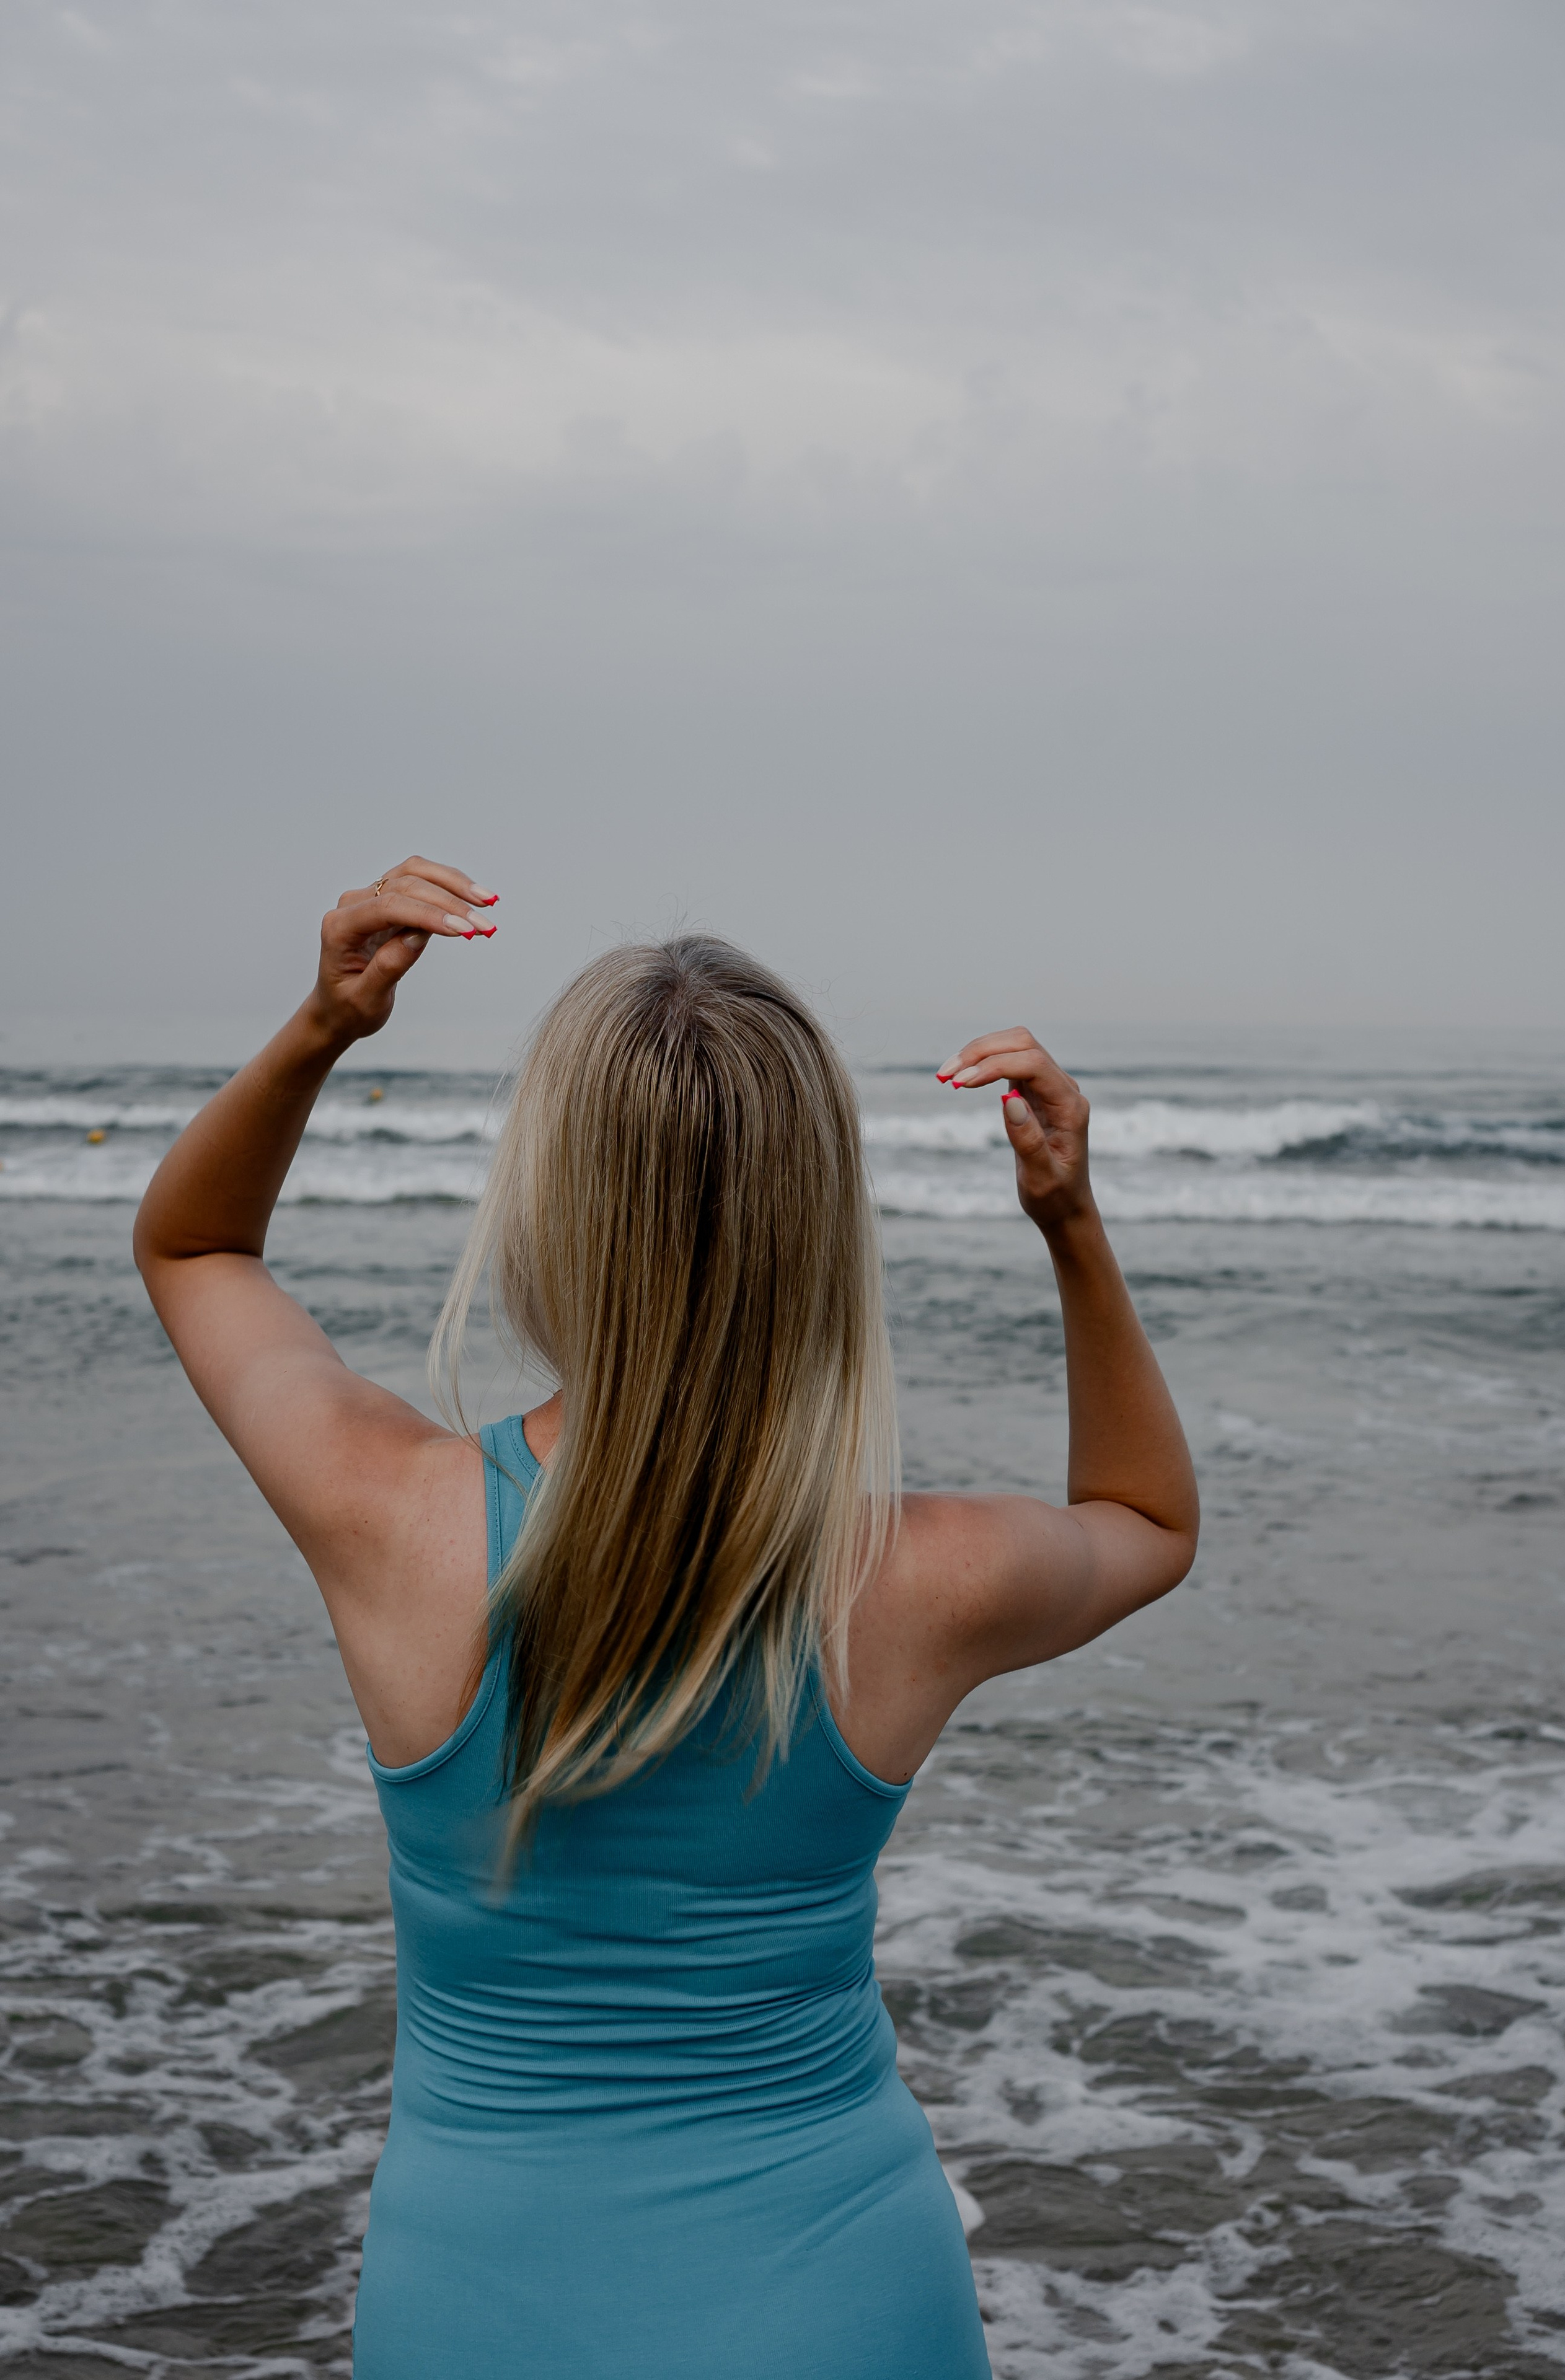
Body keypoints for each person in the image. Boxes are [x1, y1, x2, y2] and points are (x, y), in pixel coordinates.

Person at [134, 857, 1199, 2379]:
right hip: (845, 2303)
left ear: (547, 1206)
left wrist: (322, 1026)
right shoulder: (916, 1577)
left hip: (478, 2308)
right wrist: (1068, 1220)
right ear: (818, 1224)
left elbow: (193, 1248)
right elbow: (1149, 1521)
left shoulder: (388, 1516)